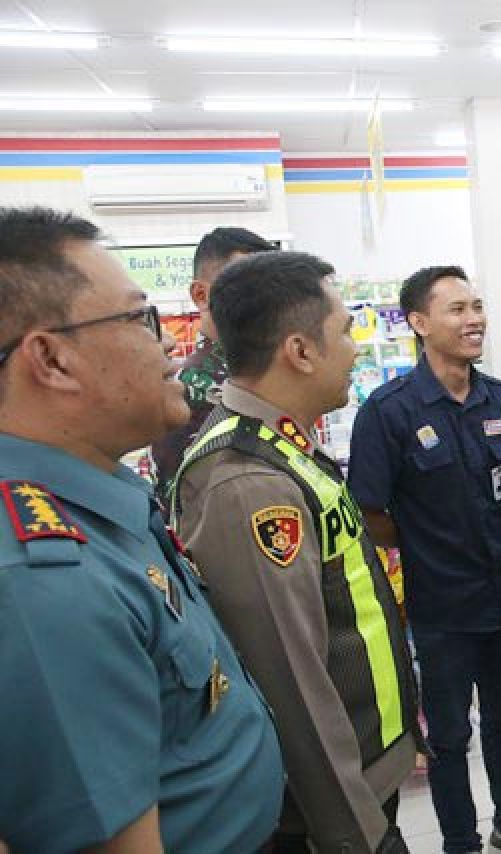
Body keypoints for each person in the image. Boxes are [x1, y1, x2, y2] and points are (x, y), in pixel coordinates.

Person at [0, 206, 284, 852]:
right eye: (137, 319)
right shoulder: (42, 579)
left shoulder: (98, 497)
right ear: (51, 359)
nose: (166, 344)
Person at [172, 251, 419, 854]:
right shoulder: (247, 482)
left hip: (367, 764)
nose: (356, 349)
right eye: (343, 332)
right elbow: (291, 681)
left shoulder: (286, 446)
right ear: (300, 351)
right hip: (327, 805)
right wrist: (353, 834)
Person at [347, 266, 501, 854]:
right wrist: (421, 539)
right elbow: (367, 510)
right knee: (446, 736)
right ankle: (461, 842)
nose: (475, 320)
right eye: (458, 310)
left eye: (478, 306)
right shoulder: (388, 412)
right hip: (441, 609)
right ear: (419, 324)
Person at [151, 226, 274, 498]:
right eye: (246, 288)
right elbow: (183, 499)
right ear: (201, 295)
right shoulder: (189, 387)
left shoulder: (259, 372)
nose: (263, 303)